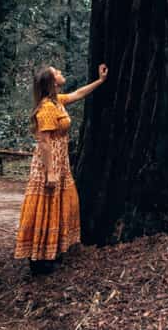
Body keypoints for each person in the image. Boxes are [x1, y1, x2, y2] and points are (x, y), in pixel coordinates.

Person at [14, 62, 108, 275]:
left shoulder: (57, 102)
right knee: (44, 206)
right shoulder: (47, 107)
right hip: (49, 163)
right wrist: (50, 172)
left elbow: (78, 93)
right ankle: (39, 260)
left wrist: (100, 81)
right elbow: (45, 142)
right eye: (57, 72)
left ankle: (50, 253)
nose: (61, 73)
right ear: (52, 82)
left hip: (59, 161)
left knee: (55, 205)